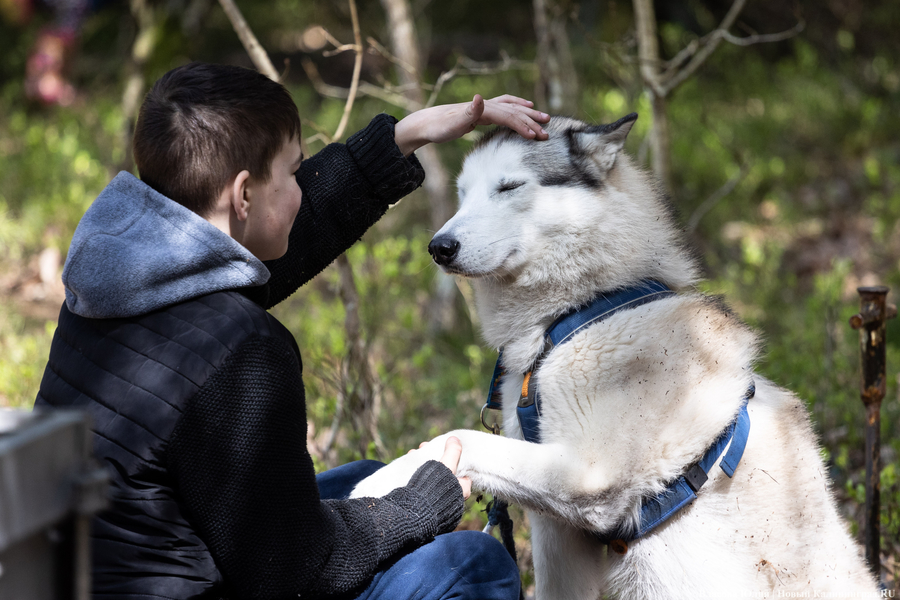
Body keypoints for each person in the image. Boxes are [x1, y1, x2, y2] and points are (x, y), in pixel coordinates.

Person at [34, 61, 549, 599]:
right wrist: (424, 503)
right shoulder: (243, 353)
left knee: (373, 474)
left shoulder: (117, 271)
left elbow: (278, 238)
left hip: (95, 574)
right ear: (243, 195)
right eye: (291, 173)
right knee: (474, 564)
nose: (301, 190)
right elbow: (300, 572)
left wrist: (405, 136)